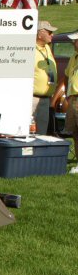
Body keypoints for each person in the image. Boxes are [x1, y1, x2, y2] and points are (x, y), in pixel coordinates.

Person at [33, 20, 57, 134]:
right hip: (33, 98)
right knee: (30, 131)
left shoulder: (47, 48)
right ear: (40, 33)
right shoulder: (30, 49)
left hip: (45, 98)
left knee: (41, 133)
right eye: (49, 32)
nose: (52, 35)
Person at [60, 31, 78, 171]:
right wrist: (67, 94)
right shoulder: (74, 56)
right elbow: (66, 74)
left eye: (76, 40)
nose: (73, 43)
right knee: (74, 132)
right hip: (73, 98)